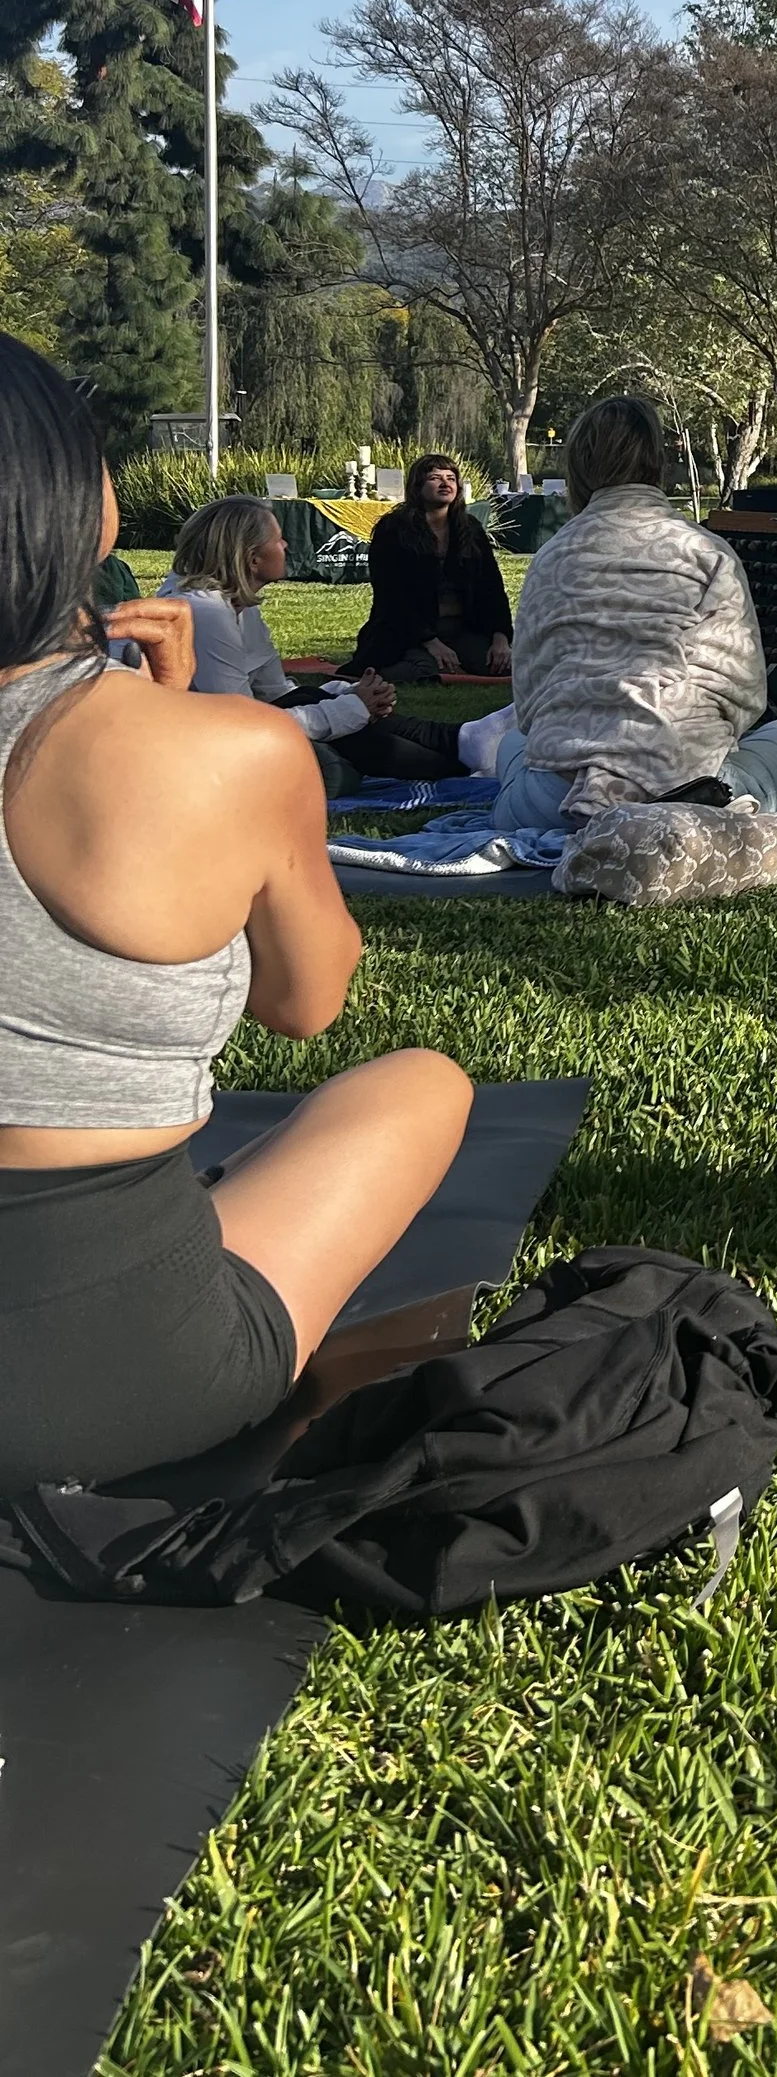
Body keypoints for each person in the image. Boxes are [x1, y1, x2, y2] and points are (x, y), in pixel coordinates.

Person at [0, 332, 473, 1497]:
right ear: (78, 504)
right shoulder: (234, 756)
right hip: (105, 1377)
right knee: (422, 1084)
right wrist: (185, 724)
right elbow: (302, 1002)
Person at [491, 394, 777, 826]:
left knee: (510, 745)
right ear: (657, 461)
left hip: (554, 798)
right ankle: (686, 808)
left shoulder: (549, 557)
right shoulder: (705, 550)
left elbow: (528, 705)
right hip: (686, 786)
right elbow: (744, 689)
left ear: (578, 469)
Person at [165, 496, 463, 792]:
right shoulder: (206, 614)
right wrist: (352, 708)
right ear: (252, 558)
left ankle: (459, 741)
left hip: (238, 731)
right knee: (343, 733)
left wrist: (352, 695)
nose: (286, 547)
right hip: (205, 750)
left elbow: (276, 694)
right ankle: (457, 757)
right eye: (279, 539)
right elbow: (242, 726)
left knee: (308, 699)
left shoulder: (239, 606)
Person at [351, 454, 514, 683]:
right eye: (435, 478)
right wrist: (431, 642)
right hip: (406, 630)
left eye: (450, 478)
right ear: (418, 486)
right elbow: (391, 596)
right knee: (424, 671)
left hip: (462, 628)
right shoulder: (394, 530)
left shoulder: (470, 530)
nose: (445, 483)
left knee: (506, 666)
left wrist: (500, 638)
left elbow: (492, 588)